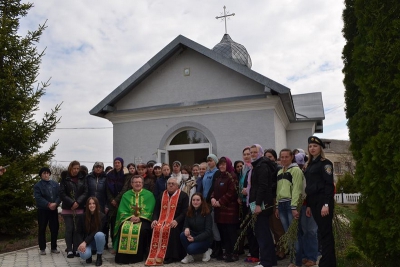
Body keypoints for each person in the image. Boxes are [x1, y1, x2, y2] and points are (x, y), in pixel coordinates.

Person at [304, 136, 336, 267]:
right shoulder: (309, 165)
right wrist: (309, 205)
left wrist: (326, 204)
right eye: (310, 146)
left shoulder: (325, 163)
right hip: (314, 202)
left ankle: (328, 263)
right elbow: (310, 187)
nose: (312, 148)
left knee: (326, 233)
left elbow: (329, 185)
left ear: (320, 148)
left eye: (315, 146)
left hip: (324, 202)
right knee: (322, 233)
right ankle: (327, 261)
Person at [146, 177, 189, 265]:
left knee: (171, 230)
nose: (170, 185)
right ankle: (155, 254)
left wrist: (176, 220)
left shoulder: (183, 196)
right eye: (169, 183)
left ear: (177, 186)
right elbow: (156, 210)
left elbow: (185, 212)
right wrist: (154, 220)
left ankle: (171, 256)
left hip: (177, 222)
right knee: (155, 227)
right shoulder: (162, 194)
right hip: (161, 220)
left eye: (173, 184)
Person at [114, 175, 156, 264]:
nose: (137, 184)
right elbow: (122, 210)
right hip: (129, 219)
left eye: (139, 182)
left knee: (142, 230)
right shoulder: (126, 195)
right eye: (135, 182)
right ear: (131, 184)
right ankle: (123, 257)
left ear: (142, 184)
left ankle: (138, 256)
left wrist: (140, 217)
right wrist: (130, 217)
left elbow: (151, 209)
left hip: (144, 220)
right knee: (124, 228)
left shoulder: (149, 195)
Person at [248, 144, 277, 267]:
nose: (253, 154)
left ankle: (266, 262)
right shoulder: (257, 165)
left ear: (260, 153)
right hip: (257, 203)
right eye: (251, 152)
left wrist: (258, 204)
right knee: (261, 232)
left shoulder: (262, 166)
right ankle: (269, 260)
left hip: (262, 204)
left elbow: (263, 186)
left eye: (255, 152)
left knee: (262, 233)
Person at [275, 149, 304, 267]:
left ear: (292, 157)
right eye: (282, 157)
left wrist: (294, 207)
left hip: (291, 204)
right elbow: (278, 191)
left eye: (286, 157)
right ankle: (292, 260)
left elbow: (297, 189)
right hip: (281, 204)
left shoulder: (296, 170)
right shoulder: (279, 172)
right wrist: (277, 205)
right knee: (288, 234)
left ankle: (297, 262)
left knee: (295, 234)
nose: (284, 159)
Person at [211, 156, 239, 262]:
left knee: (231, 232)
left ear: (228, 164)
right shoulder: (219, 176)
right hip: (220, 210)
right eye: (220, 164)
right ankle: (227, 252)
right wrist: (213, 198)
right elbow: (215, 189)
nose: (221, 166)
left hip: (229, 210)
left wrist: (220, 201)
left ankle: (234, 253)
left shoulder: (232, 176)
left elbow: (232, 193)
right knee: (223, 232)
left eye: (224, 164)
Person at [60, 160, 88, 258]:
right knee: (69, 229)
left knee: (77, 229)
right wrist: (71, 202)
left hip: (79, 208)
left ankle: (76, 249)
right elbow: (62, 193)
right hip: (68, 208)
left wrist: (78, 202)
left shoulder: (82, 178)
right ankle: (69, 250)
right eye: (74, 168)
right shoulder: (65, 178)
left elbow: (85, 191)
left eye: (77, 168)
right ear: (70, 168)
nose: (76, 170)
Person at [263, 148, 286, 260]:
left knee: (277, 226)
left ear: (274, 158)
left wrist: (267, 189)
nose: (268, 159)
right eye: (266, 157)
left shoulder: (278, 169)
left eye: (270, 157)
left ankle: (283, 249)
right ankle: (278, 248)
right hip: (267, 200)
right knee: (272, 226)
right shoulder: (265, 169)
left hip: (275, 199)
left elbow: (277, 185)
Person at [34, 167, 61, 255]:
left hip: (53, 210)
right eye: (44, 173)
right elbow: (38, 198)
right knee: (42, 228)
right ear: (41, 175)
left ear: (49, 174)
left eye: (47, 173)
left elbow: (59, 195)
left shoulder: (55, 184)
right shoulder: (38, 186)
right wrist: (48, 204)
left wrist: (56, 203)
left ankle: (53, 247)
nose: (46, 175)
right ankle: (42, 248)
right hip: (43, 210)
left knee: (54, 228)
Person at [180, 193, 213, 263]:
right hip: (193, 235)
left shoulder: (207, 213)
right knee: (182, 235)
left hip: (205, 239)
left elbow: (208, 231)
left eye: (198, 200)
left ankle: (206, 251)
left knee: (190, 249)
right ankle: (190, 256)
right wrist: (186, 229)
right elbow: (185, 225)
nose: (195, 202)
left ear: (202, 201)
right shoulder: (189, 212)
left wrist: (195, 239)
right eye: (193, 200)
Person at [202, 154, 222, 258]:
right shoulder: (206, 172)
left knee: (213, 225)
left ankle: (218, 248)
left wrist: (208, 199)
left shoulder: (217, 172)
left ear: (215, 161)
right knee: (209, 225)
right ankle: (214, 247)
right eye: (208, 161)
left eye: (211, 161)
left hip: (211, 202)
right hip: (205, 202)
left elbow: (213, 187)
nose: (209, 162)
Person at [78, 197, 107, 266]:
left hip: (97, 241)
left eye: (94, 203)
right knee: (84, 255)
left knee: (99, 234)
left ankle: (99, 257)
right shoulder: (82, 217)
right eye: (90, 204)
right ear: (87, 205)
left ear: (97, 205)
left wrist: (85, 242)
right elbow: (78, 232)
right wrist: (81, 243)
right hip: (87, 242)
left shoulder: (102, 216)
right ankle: (89, 255)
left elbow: (97, 230)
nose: (92, 205)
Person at [86, 162, 109, 249]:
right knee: (91, 223)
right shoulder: (88, 177)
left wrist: (107, 205)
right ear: (93, 168)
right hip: (91, 203)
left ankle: (104, 243)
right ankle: (91, 242)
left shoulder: (106, 177)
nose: (98, 169)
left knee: (103, 224)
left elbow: (108, 192)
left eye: (100, 167)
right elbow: (86, 190)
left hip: (102, 204)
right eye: (96, 167)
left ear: (103, 168)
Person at [106, 157, 126, 251]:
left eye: (119, 162)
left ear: (122, 164)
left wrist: (117, 200)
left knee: (121, 224)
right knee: (113, 224)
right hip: (111, 204)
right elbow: (107, 189)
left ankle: (120, 244)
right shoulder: (110, 175)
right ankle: (114, 245)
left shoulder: (125, 174)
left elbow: (125, 188)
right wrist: (112, 200)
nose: (117, 164)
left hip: (122, 202)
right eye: (115, 162)